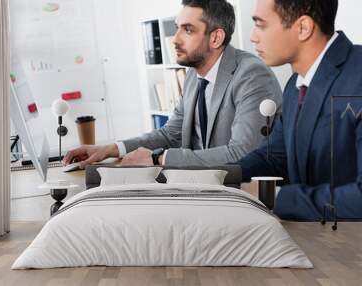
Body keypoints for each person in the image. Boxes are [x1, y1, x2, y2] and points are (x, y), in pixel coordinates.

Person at [63, 0, 282, 168]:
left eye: (187, 30)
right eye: (177, 28)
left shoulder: (251, 75)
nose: (174, 39)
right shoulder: (192, 75)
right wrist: (112, 149)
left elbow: (242, 153)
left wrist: (159, 158)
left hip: (240, 195)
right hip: (200, 186)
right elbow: (171, 134)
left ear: (215, 38)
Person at [238, 0, 362, 221]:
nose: (253, 37)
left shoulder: (358, 76)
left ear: (303, 27)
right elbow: (276, 157)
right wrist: (222, 176)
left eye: (261, 25)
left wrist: (274, 197)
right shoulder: (295, 85)